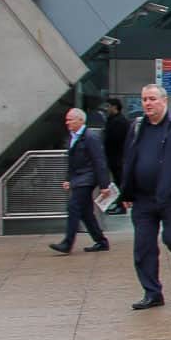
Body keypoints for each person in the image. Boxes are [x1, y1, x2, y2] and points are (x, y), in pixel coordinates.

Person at [119, 85, 171, 309]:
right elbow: (129, 159)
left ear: (164, 101)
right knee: (143, 247)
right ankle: (152, 292)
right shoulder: (137, 127)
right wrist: (126, 191)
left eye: (152, 99)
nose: (148, 103)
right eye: (144, 99)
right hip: (143, 199)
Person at [49, 107, 111, 255]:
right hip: (79, 178)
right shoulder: (73, 137)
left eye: (70, 119)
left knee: (74, 207)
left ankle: (67, 243)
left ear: (81, 120)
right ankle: (101, 241)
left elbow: (99, 161)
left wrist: (104, 185)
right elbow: (72, 162)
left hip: (87, 179)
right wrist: (68, 179)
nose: (67, 122)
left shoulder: (90, 137)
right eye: (67, 119)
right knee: (85, 212)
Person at [102, 98, 129, 214]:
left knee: (119, 181)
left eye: (109, 106)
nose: (107, 109)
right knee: (117, 181)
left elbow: (115, 139)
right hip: (114, 156)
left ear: (115, 107)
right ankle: (119, 203)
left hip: (118, 157)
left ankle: (121, 205)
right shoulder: (113, 120)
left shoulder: (119, 121)